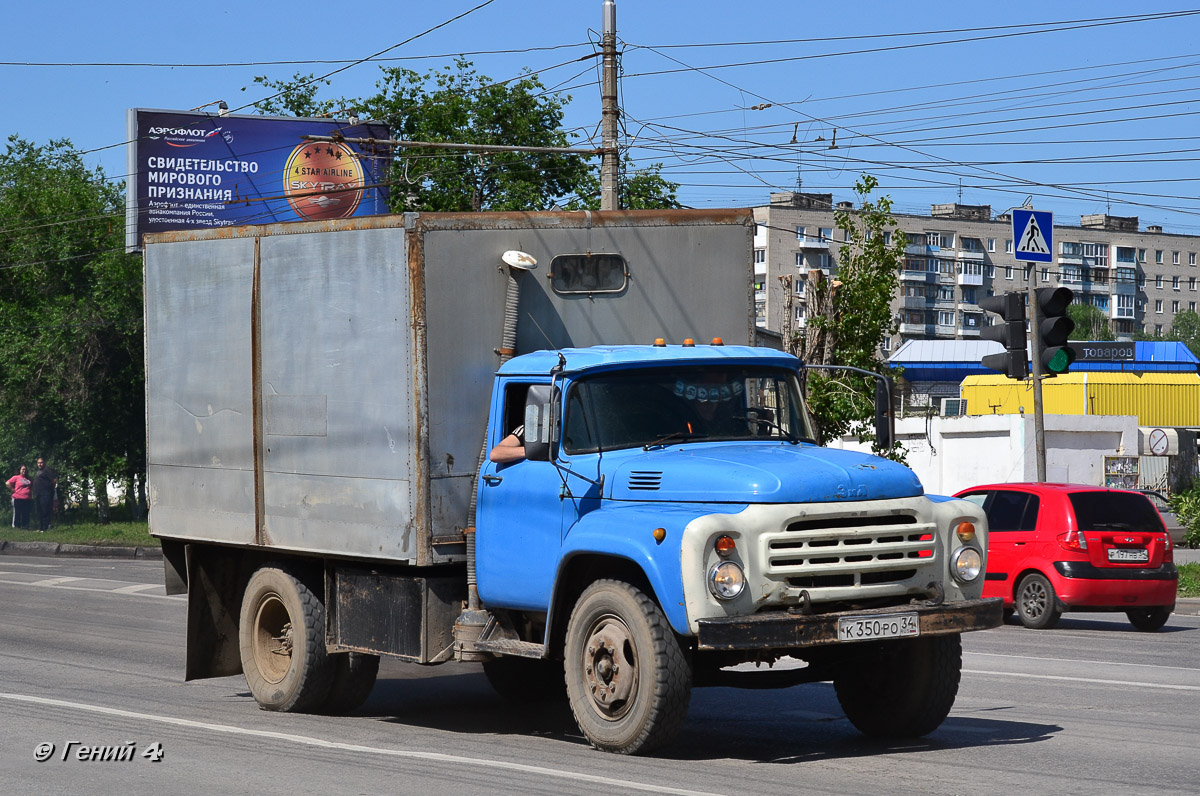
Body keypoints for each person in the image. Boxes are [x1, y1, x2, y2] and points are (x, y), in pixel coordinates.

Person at [33, 457, 57, 532]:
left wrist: (49, 489)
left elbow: (54, 480)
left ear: (44, 463)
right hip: (38, 494)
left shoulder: (47, 470)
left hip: (45, 494)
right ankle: (40, 527)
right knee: (39, 511)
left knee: (45, 510)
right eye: (38, 463)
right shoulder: (38, 471)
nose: (40, 464)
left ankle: (45, 527)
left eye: (41, 462)